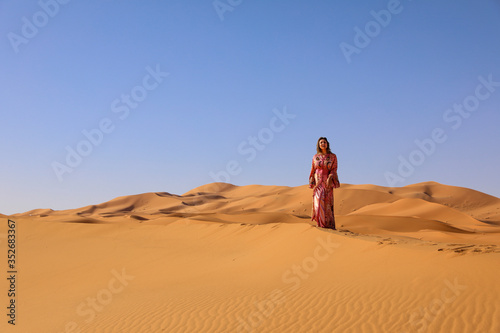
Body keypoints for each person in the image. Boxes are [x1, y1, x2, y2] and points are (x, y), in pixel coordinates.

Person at [309, 137, 340, 229]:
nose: (323, 143)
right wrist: (312, 181)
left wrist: (331, 177)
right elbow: (313, 169)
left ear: (327, 144)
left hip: (327, 182)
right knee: (318, 202)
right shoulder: (315, 157)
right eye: (321, 142)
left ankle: (327, 225)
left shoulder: (333, 156)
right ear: (318, 145)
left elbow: (334, 169)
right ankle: (320, 224)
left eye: (324, 142)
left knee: (326, 203)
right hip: (318, 182)